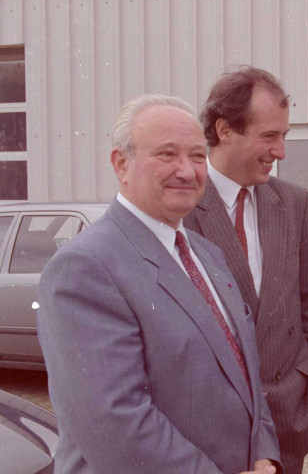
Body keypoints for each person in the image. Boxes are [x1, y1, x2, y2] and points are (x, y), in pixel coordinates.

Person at [38, 94, 281, 474]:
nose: (187, 171)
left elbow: (244, 372)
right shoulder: (85, 268)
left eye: (198, 156)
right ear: (122, 164)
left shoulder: (207, 255)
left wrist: (264, 453)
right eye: (167, 154)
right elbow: (115, 425)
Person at [185, 66, 308, 474]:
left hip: (288, 424)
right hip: (210, 432)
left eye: (284, 135)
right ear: (225, 129)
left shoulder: (295, 203)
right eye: (269, 136)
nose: (281, 151)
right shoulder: (181, 206)